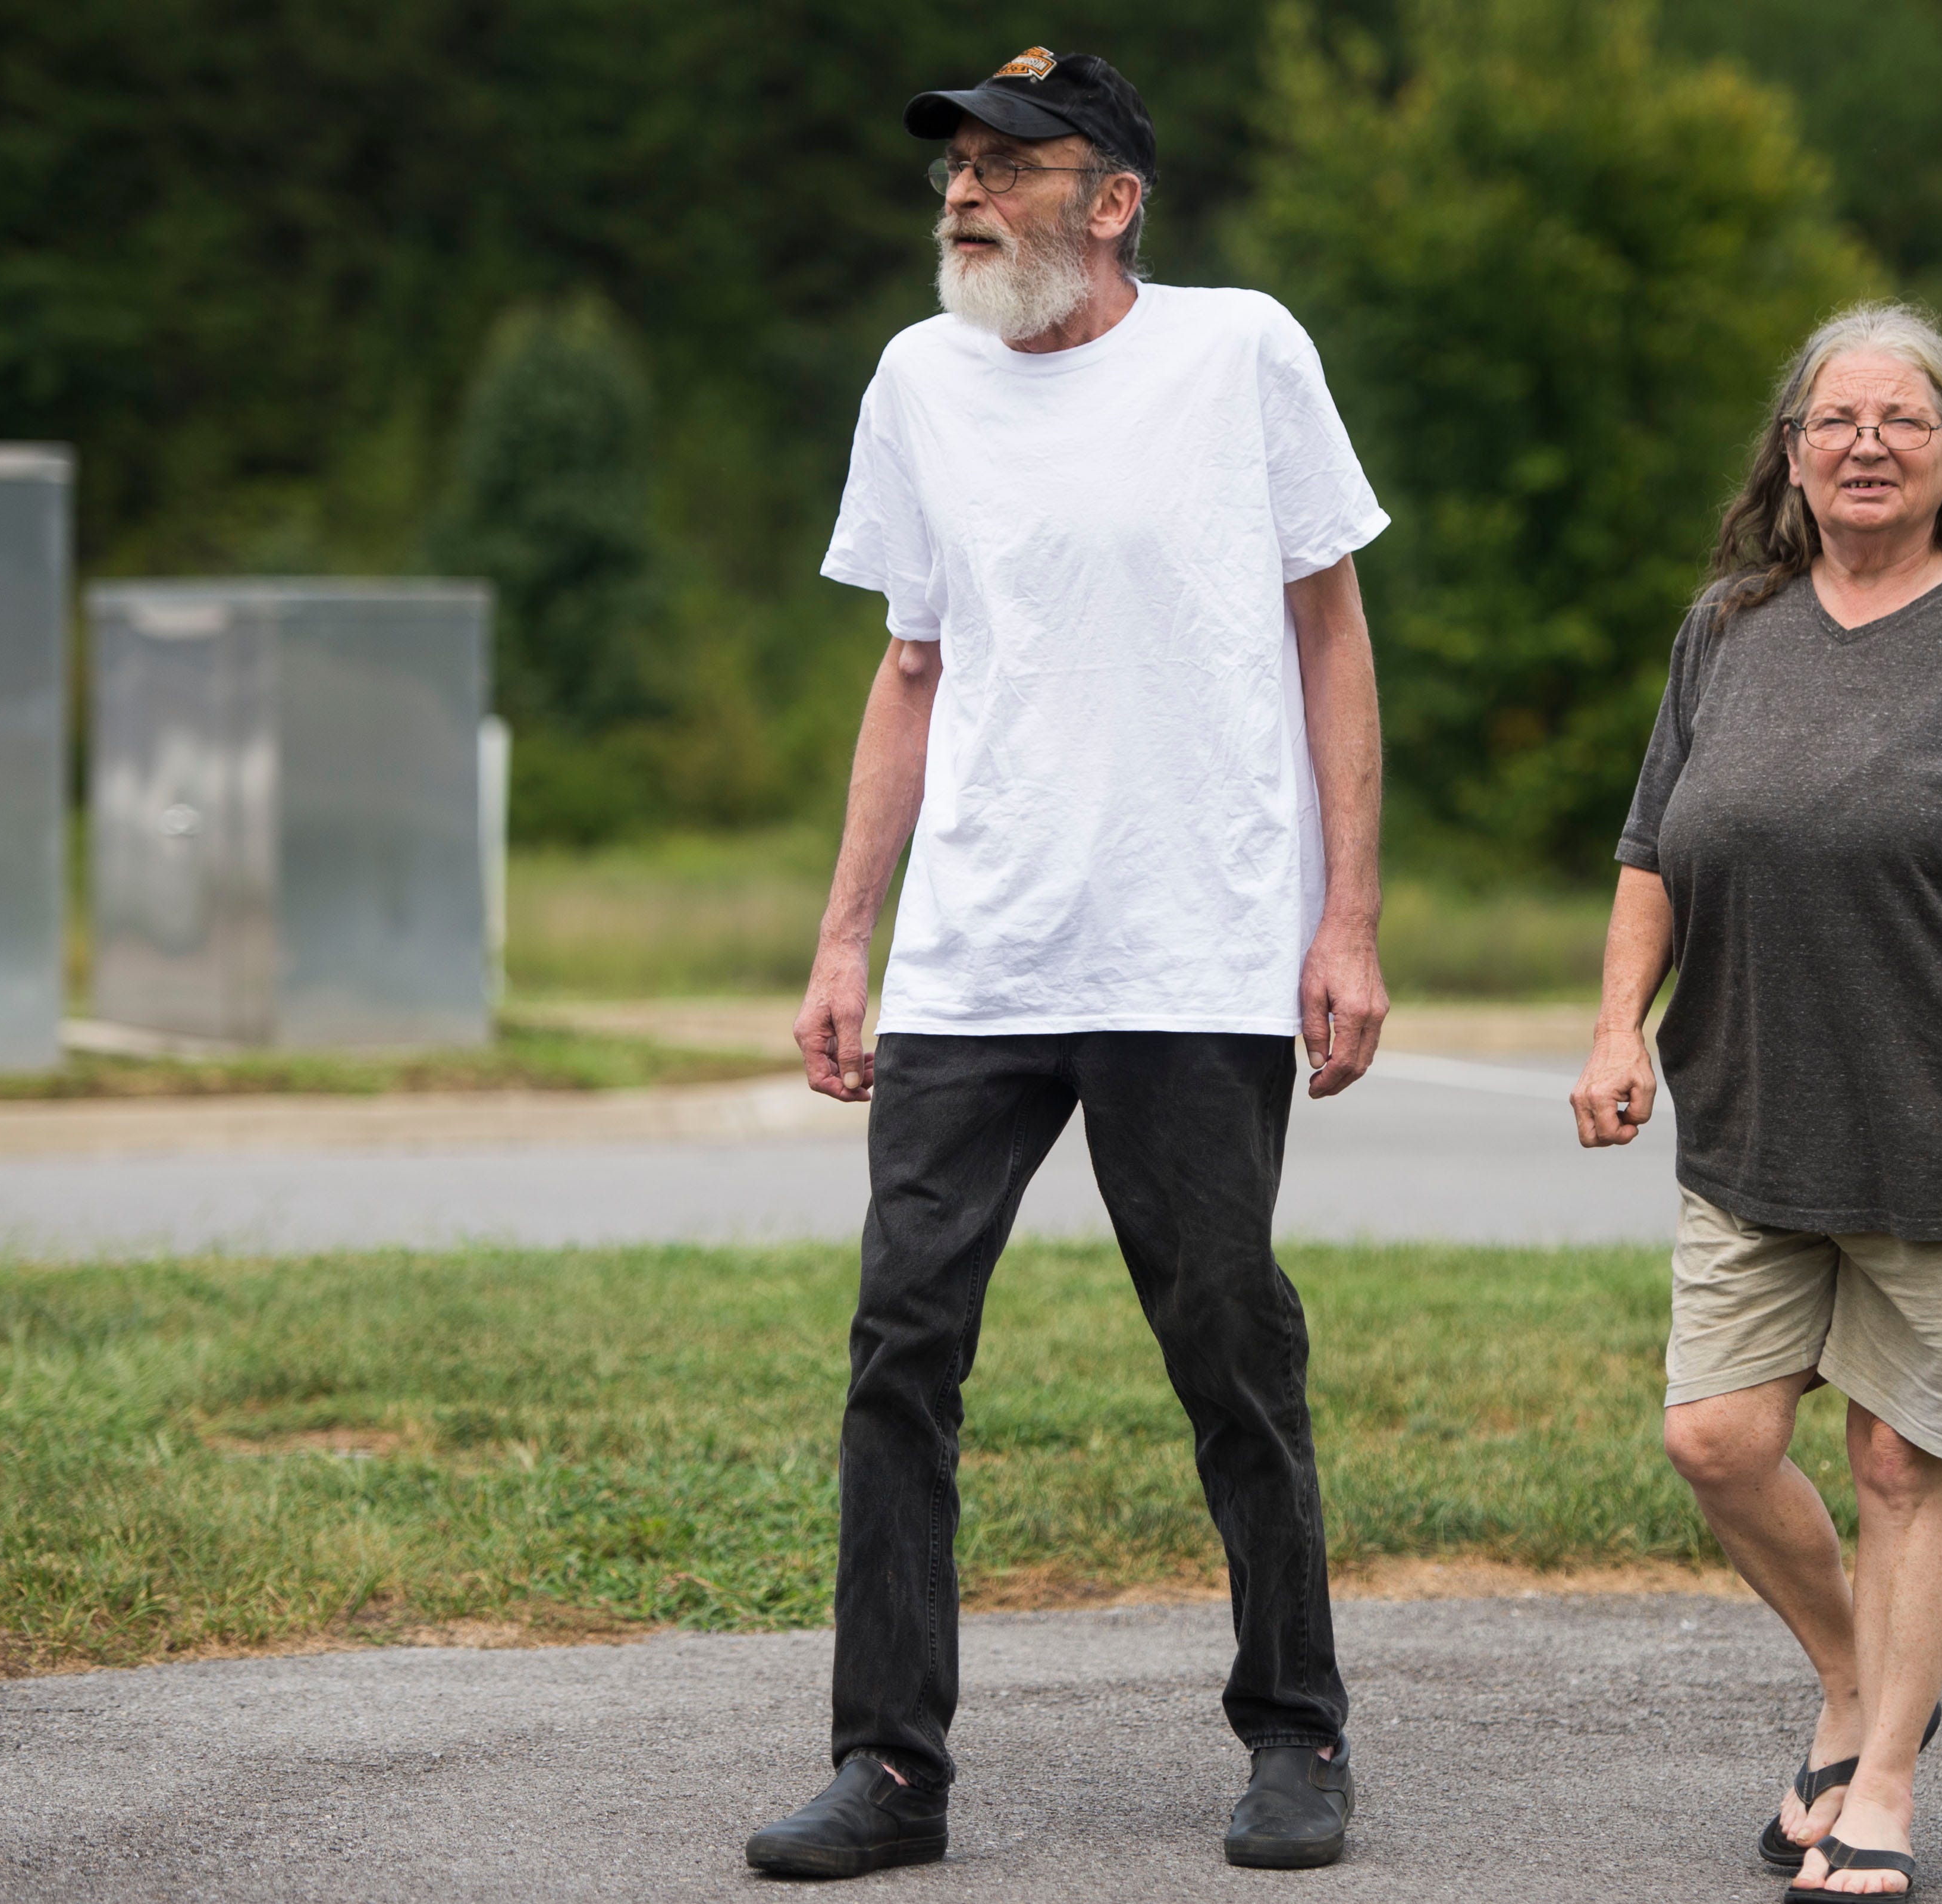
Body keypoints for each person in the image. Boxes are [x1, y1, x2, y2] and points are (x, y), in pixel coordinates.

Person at [741, 47, 1391, 1881]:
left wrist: (1346, 917)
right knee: (901, 1347)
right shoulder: (917, 379)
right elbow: (912, 665)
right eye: (954, 160)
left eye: (1009, 162)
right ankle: (888, 1767)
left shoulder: (1240, 353)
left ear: (1112, 201)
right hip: (977, 956)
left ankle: (1294, 1728)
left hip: (1192, 945)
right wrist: (845, 937)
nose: (964, 187)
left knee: (1228, 1343)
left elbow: (1330, 630)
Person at [1570, 303, 1942, 1899]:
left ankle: (1883, 1780)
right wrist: (1618, 1026)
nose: (1866, 446)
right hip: (1750, 1112)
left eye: (1903, 420)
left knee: (1902, 1462)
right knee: (1714, 1439)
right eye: (1834, 420)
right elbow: (1652, 848)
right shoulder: (1729, 626)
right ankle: (1858, 1675)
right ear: (1790, 451)